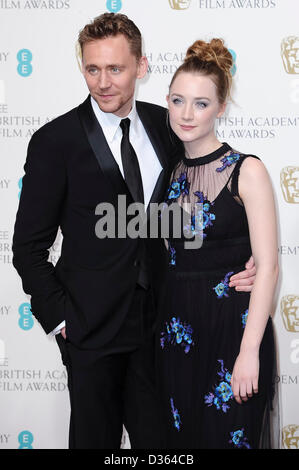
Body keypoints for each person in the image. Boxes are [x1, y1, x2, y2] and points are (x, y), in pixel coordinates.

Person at [12, 13, 256, 449]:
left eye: (115, 69)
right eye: (92, 68)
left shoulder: (168, 125)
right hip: (90, 331)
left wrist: (242, 261)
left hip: (161, 327)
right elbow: (28, 247)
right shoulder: (55, 141)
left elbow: (200, 201)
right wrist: (62, 320)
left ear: (141, 67)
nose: (103, 82)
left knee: (162, 445)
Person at [156, 38, 279, 449]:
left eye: (201, 103)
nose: (187, 113)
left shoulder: (248, 170)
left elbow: (269, 266)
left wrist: (249, 352)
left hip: (233, 332)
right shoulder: (169, 172)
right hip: (176, 336)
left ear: (221, 107)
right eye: (178, 100)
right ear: (167, 102)